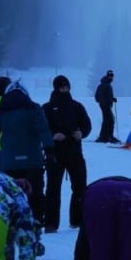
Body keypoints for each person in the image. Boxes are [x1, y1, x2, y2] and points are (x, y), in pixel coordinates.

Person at [0, 80, 55, 228]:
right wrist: (50, 150)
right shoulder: (35, 109)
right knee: (36, 193)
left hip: (10, 162)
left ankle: (12, 224)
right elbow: (43, 130)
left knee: (10, 194)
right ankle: (35, 222)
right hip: (33, 161)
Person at [42, 75, 92, 231]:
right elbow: (41, 129)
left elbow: (87, 125)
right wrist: (53, 135)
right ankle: (50, 223)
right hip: (54, 154)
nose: (65, 89)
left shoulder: (77, 106)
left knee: (80, 187)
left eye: (67, 86)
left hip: (74, 152)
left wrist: (81, 133)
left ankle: (76, 220)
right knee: (52, 189)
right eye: (62, 87)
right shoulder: (47, 108)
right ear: (56, 88)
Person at [94, 69, 119, 143]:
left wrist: (112, 99)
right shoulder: (105, 85)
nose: (111, 77)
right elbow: (98, 97)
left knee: (106, 120)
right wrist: (105, 102)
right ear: (107, 76)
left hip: (104, 105)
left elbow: (99, 96)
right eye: (110, 76)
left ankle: (103, 136)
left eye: (112, 76)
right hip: (106, 105)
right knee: (110, 120)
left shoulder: (104, 84)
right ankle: (109, 136)